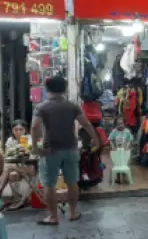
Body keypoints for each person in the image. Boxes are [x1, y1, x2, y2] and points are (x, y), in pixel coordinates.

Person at [31, 76, 100, 225]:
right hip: (71, 149)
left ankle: (53, 217)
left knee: (49, 184)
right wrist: (96, 139)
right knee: (72, 182)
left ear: (46, 88)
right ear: (65, 88)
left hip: (50, 151)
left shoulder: (41, 107)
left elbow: (35, 127)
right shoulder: (72, 106)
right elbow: (86, 124)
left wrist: (35, 147)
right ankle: (73, 213)